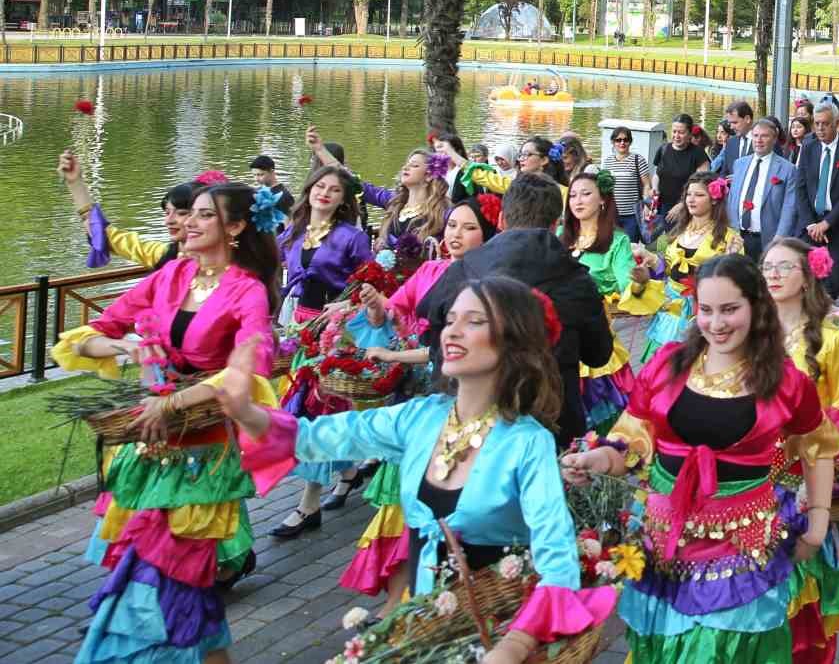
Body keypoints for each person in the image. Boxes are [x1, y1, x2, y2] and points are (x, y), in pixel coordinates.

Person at [227, 278, 616, 664]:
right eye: (450, 320)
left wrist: (514, 646)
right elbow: (321, 437)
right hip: (427, 630)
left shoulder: (526, 442)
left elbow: (557, 559)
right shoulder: (421, 417)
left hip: (497, 632)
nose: (452, 331)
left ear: (513, 341)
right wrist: (247, 411)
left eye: (475, 321)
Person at [561, 253, 839, 662]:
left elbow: (818, 447)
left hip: (741, 549)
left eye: (730, 309)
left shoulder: (785, 381)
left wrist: (817, 525)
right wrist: (599, 460)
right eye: (707, 310)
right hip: (665, 546)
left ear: (756, 307)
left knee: (725, 650)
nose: (717, 323)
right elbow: (632, 440)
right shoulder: (668, 364)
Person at [53, 182, 281, 664]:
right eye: (187, 214)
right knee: (180, 583)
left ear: (236, 227)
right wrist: (124, 346)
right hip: (154, 446)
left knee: (171, 573)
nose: (187, 223)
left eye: (203, 216)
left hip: (204, 455)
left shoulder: (247, 290)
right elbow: (92, 335)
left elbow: (251, 365)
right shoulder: (170, 276)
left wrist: (177, 401)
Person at [344, 194, 500, 615]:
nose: (456, 235)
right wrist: (377, 306)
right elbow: (391, 315)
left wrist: (396, 356)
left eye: (468, 228)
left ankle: (432, 596)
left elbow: (445, 350)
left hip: (459, 399)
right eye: (452, 225)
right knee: (403, 497)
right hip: (418, 394)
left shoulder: (490, 284)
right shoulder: (430, 270)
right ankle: (399, 597)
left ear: (487, 235)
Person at [420, 174, 614, 446]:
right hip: (550, 423)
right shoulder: (577, 280)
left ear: (501, 220)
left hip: (471, 420)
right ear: (555, 224)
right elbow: (598, 354)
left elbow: (428, 322)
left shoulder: (464, 267)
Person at [762, 237, 839, 664]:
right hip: (751, 482)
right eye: (768, 266)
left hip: (802, 482)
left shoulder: (830, 341)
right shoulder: (748, 333)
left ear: (806, 277)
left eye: (785, 267)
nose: (774, 274)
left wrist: (809, 427)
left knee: (801, 596)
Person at [273, 163, 373, 537]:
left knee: (317, 408)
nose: (325, 193)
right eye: (320, 186)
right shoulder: (294, 232)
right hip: (301, 325)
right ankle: (347, 471)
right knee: (319, 406)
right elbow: (283, 279)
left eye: (334, 190)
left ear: (343, 199)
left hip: (336, 328)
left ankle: (308, 504)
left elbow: (371, 287)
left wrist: (345, 308)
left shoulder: (351, 237)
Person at [631, 170, 744, 363]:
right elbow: (667, 269)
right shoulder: (678, 232)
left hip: (704, 314)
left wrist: (730, 262)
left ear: (714, 199)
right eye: (689, 195)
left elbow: (737, 285)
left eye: (699, 195)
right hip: (670, 311)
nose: (691, 200)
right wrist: (649, 257)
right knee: (662, 371)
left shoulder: (729, 238)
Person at [561, 172, 637, 434]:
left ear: (602, 199)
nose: (577, 200)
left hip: (593, 332)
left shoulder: (617, 241)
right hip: (558, 333)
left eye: (586, 193)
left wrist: (639, 280)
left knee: (599, 415)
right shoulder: (560, 234)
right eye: (572, 195)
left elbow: (627, 284)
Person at [59, 152, 195, 270]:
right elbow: (104, 236)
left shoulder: (214, 269)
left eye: (181, 213)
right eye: (167, 213)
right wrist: (75, 183)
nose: (169, 221)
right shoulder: (163, 255)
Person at [791, 102, 839, 300]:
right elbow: (800, 188)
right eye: (817, 124)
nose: (821, 128)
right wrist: (811, 224)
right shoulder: (808, 148)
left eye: (825, 124)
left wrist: (827, 223)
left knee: (838, 278)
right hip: (811, 224)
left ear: (837, 123)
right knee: (810, 276)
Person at [727, 117, 797, 256]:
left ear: (774, 139)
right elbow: (732, 199)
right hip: (738, 237)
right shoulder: (739, 164)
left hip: (768, 238)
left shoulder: (787, 169)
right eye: (756, 135)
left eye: (764, 136)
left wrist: (781, 236)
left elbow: (790, 206)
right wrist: (729, 231)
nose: (759, 140)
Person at [602, 126, 653, 242]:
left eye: (626, 140)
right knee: (612, 246)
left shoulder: (638, 159)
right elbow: (605, 187)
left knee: (631, 247)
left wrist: (646, 204)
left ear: (630, 142)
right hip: (612, 213)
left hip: (632, 215)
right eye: (618, 140)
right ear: (613, 142)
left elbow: (647, 185)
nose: (622, 143)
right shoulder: (608, 162)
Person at [653, 113, 710, 216]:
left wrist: (682, 204)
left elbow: (701, 186)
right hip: (661, 206)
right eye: (674, 132)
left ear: (689, 134)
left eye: (681, 132)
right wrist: (654, 189)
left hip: (687, 208)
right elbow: (657, 175)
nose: (676, 136)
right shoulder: (663, 149)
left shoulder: (698, 154)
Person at [708, 99, 757, 176]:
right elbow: (724, 174)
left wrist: (740, 178)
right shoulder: (730, 143)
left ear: (747, 119)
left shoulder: (764, 141)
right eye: (730, 123)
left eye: (735, 122)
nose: (731, 127)